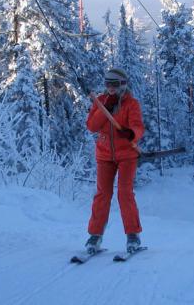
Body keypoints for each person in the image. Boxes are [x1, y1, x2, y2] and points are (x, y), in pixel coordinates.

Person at [85, 68, 145, 253]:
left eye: (115, 84)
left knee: (124, 193)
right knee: (102, 194)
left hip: (127, 155)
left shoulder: (131, 103)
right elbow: (92, 126)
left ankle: (133, 235)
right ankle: (95, 236)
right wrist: (106, 108)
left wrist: (131, 133)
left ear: (123, 85)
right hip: (104, 155)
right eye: (107, 83)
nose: (110, 88)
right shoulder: (101, 102)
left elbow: (138, 127)